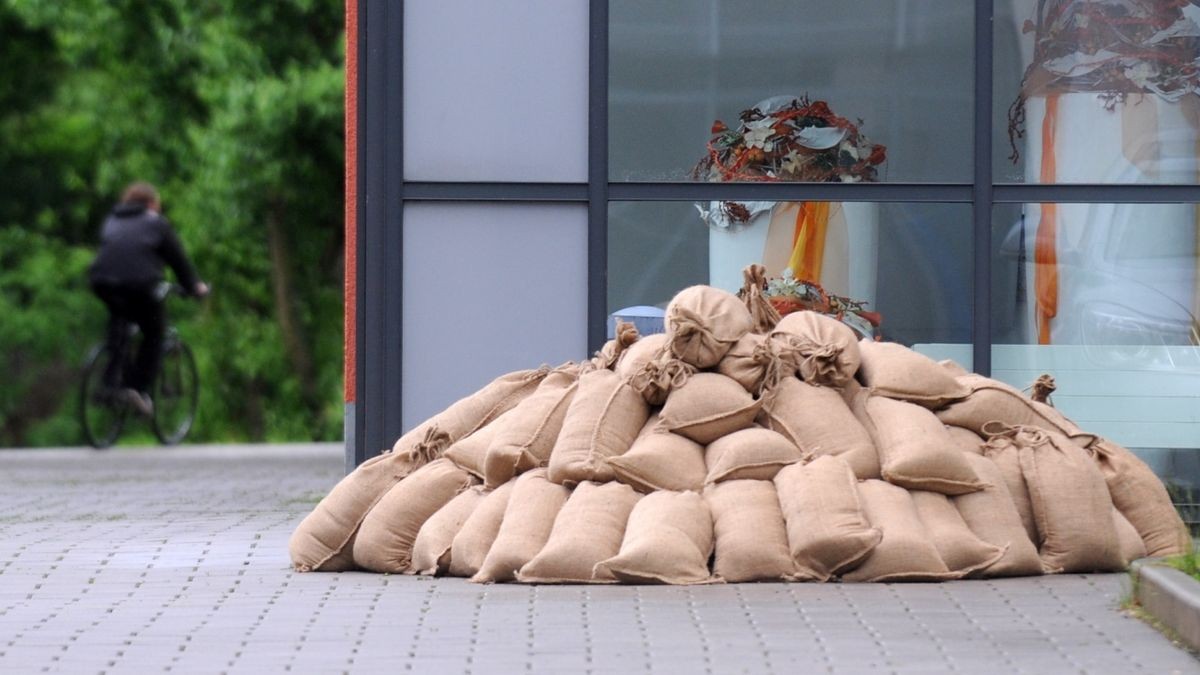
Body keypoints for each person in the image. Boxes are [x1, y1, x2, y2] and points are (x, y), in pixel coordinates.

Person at [88, 182, 209, 416]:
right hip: (140, 285)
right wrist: (195, 287)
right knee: (154, 333)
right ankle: (137, 389)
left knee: (118, 323)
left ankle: (110, 383)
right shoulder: (155, 223)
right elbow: (178, 261)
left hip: (101, 282)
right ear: (152, 204)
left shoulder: (111, 220)